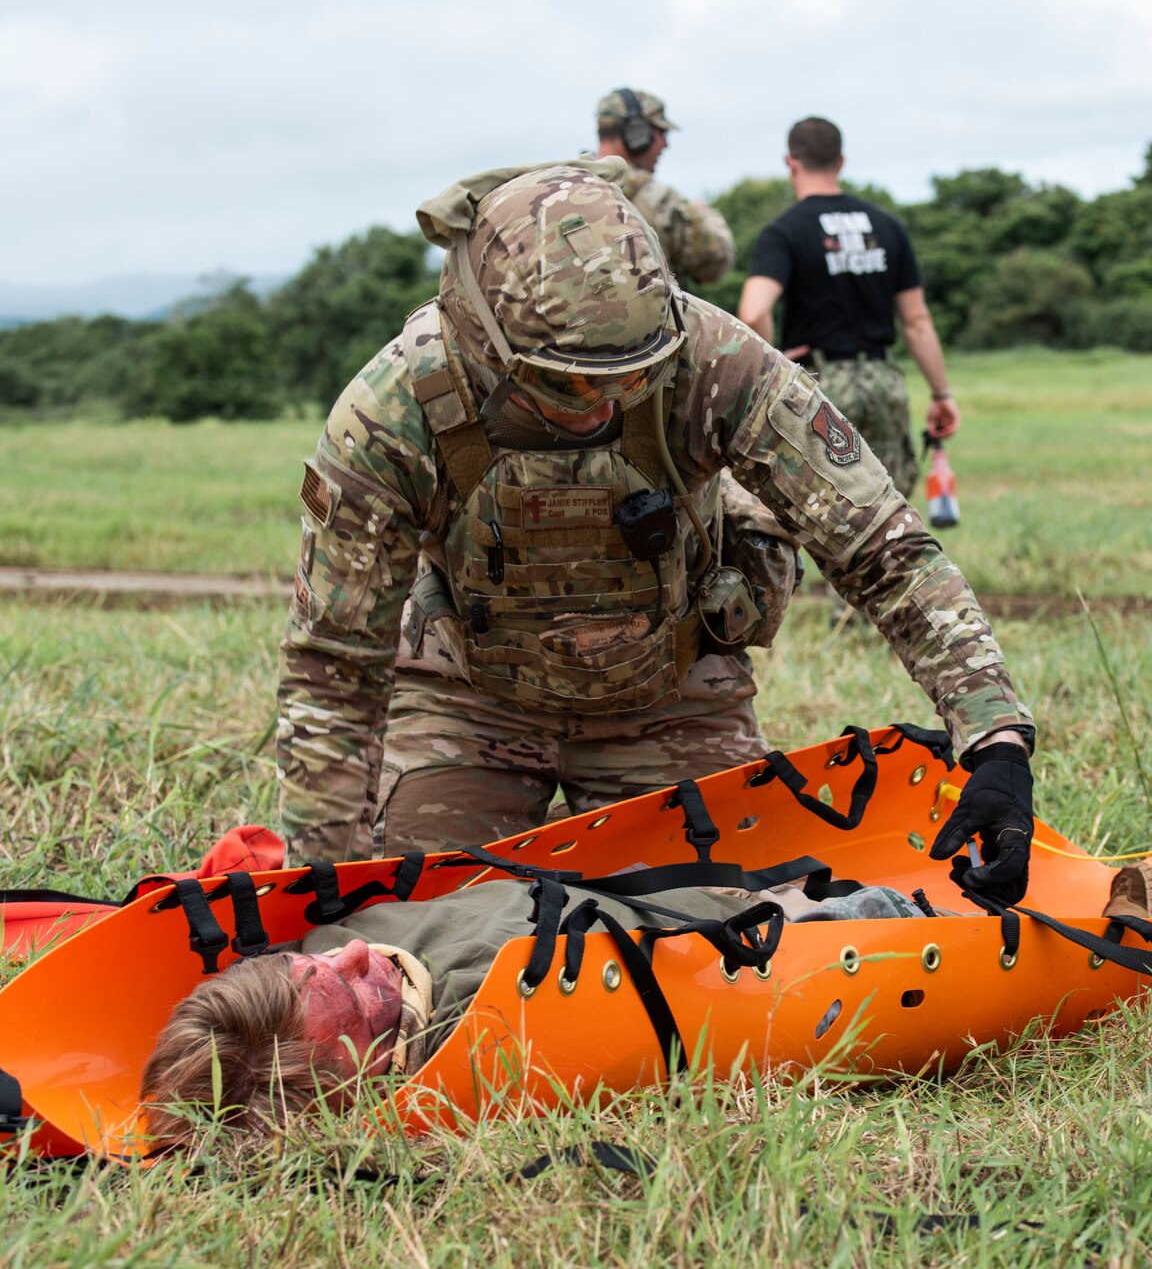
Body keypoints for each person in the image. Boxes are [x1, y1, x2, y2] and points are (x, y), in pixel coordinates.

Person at [275, 158, 1036, 897]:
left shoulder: (714, 360)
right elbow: (335, 665)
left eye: (633, 377)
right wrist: (321, 893)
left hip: (670, 692)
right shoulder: (396, 408)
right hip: (469, 700)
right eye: (570, 384)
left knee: (737, 934)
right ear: (482, 338)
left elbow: (883, 547)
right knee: (424, 926)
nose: (606, 404)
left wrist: (995, 734)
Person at [140, 875, 929, 1141]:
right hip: (762, 924)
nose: (351, 955)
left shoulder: (341, 933)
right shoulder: (487, 1034)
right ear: (353, 1078)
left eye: (313, 960)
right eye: (349, 991)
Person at [736, 116, 957, 499]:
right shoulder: (887, 227)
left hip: (820, 386)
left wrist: (774, 364)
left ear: (791, 163)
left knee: (824, 508)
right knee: (887, 512)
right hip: (883, 380)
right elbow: (917, 321)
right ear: (840, 162)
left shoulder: (785, 231)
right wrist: (941, 395)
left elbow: (753, 312)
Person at [593, 88, 734, 287]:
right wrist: (707, 215)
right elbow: (714, 263)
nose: (665, 144)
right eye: (661, 132)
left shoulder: (569, 190)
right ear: (637, 132)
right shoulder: (658, 200)